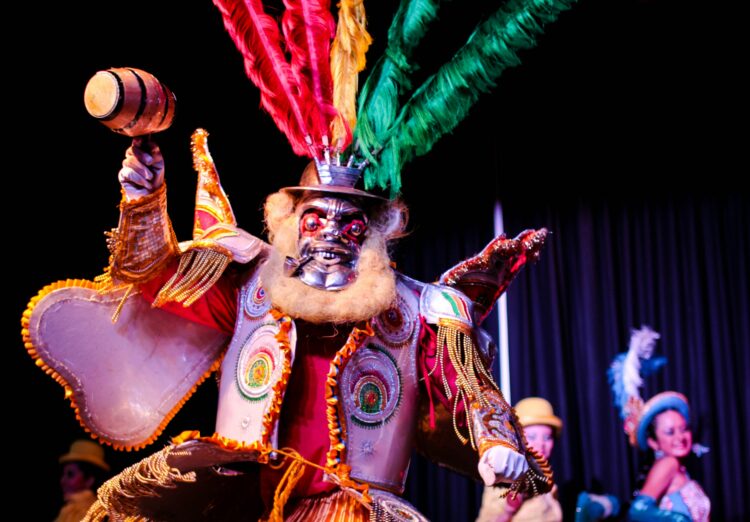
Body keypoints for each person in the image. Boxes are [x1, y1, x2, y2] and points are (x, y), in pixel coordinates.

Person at [22, 1, 578, 519]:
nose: (331, 233)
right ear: (289, 222)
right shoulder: (247, 288)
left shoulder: (415, 312)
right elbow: (153, 278)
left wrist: (496, 443)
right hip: (246, 504)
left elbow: (467, 391)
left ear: (378, 233)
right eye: (316, 218)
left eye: (351, 222)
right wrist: (143, 197)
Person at [608, 326, 710, 522]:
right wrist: (677, 519)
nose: (680, 437)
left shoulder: (679, 468)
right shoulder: (667, 464)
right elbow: (638, 510)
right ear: (655, 442)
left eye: (684, 429)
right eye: (670, 432)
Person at [476, 397, 564, 522]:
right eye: (532, 436)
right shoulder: (504, 475)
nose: (541, 444)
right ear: (517, 439)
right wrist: (510, 507)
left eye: (547, 437)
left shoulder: (545, 475)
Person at [55, 439, 109, 522]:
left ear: (89, 480)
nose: (63, 481)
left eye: (70, 474)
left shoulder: (88, 513)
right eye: (63, 474)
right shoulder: (69, 508)